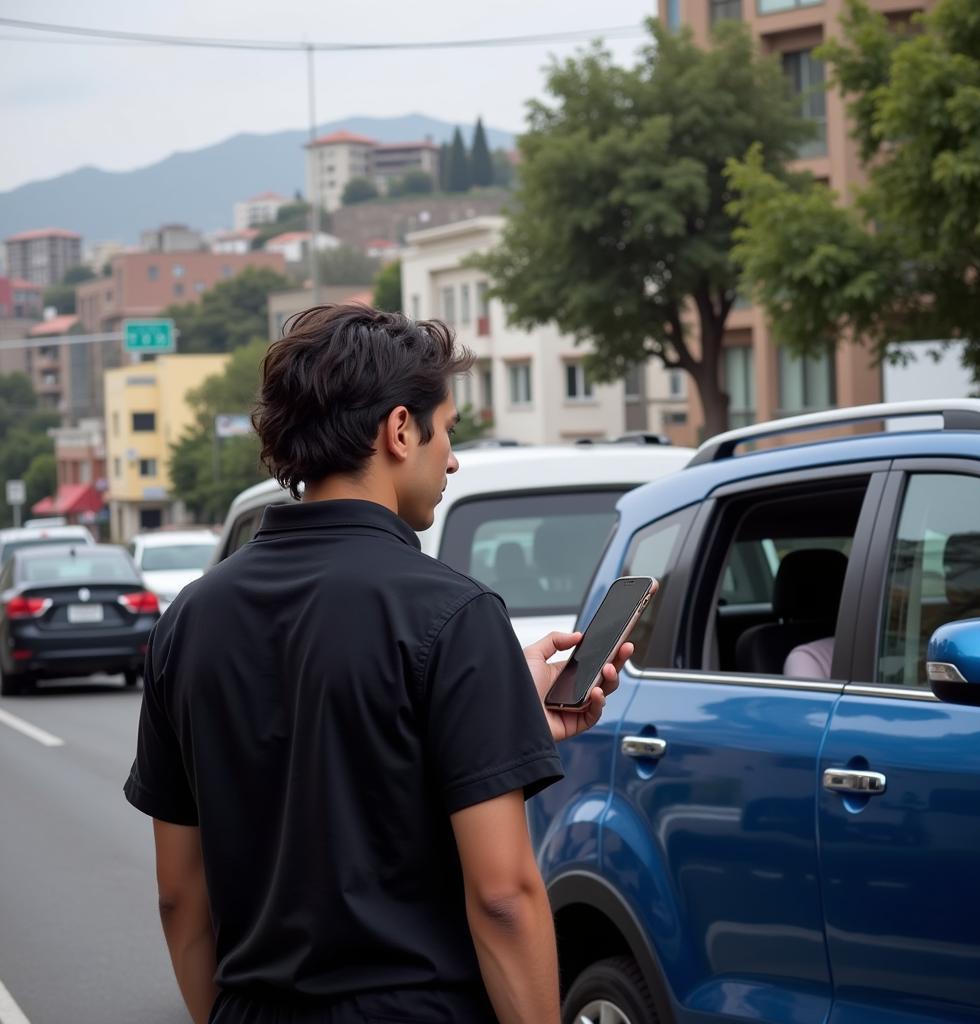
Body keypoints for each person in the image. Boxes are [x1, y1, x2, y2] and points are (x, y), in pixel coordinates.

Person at [123, 305, 632, 1024]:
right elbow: (503, 896)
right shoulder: (453, 613)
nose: (452, 458)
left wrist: (503, 715)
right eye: (447, 429)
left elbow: (179, 894)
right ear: (400, 430)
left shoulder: (188, 622)